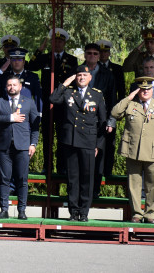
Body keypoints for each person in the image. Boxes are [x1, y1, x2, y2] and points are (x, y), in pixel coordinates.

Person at [109, 77, 154, 224]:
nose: (145, 92)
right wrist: (129, 97)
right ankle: (136, 213)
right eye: (142, 90)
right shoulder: (131, 104)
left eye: (148, 89)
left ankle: (150, 214)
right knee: (134, 185)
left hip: (153, 152)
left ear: (153, 90)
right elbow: (115, 113)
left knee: (152, 185)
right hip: (133, 151)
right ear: (138, 91)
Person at [49, 65, 106, 222]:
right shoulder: (68, 92)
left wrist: (98, 145)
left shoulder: (97, 95)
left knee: (87, 178)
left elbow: (102, 122)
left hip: (88, 142)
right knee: (72, 179)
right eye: (79, 75)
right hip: (71, 141)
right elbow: (53, 99)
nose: (81, 78)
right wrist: (65, 83)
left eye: (84, 75)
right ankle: (73, 212)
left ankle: (84, 212)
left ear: (90, 78)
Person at [27, 27, 78, 174]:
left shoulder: (72, 60)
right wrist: (39, 50)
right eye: (55, 41)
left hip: (64, 103)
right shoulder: (44, 58)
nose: (58, 44)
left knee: (63, 135)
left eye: (60, 41)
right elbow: (31, 66)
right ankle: (47, 165)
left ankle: (62, 167)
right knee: (47, 136)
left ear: (64, 43)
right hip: (47, 102)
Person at [0, 76, 40, 220]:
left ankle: (22, 211)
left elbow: (35, 126)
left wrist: (33, 143)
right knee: (4, 179)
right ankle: (4, 209)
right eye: (9, 85)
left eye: (14, 85)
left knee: (22, 179)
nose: (12, 87)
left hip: (23, 147)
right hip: (4, 147)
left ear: (20, 87)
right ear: (6, 87)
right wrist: (11, 117)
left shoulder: (29, 102)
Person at [81, 43, 117, 197]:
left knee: (98, 157)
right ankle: (81, 191)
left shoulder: (107, 74)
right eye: (89, 53)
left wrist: (111, 120)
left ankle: (95, 190)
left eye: (95, 53)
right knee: (80, 157)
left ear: (99, 55)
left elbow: (112, 99)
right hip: (80, 121)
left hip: (100, 121)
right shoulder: (77, 71)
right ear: (84, 54)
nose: (92, 56)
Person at [0, 48, 42, 113]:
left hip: (25, 116)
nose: (16, 62)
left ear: (24, 61)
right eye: (14, 59)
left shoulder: (32, 77)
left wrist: (38, 115)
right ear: (10, 62)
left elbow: (38, 98)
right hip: (6, 115)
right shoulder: (4, 76)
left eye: (19, 59)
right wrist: (0, 71)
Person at [123, 29, 154, 96]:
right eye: (146, 42)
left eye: (152, 42)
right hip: (141, 94)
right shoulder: (138, 58)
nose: (149, 45)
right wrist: (137, 49)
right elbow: (126, 68)